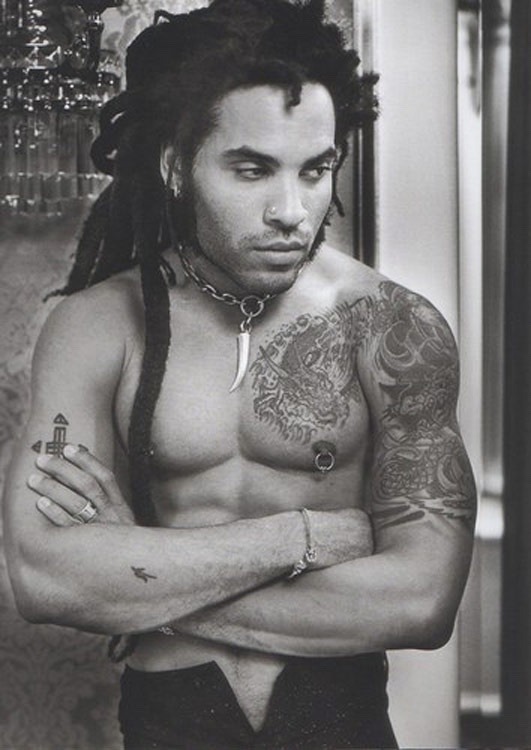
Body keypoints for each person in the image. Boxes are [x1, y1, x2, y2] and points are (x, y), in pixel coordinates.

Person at [3, 1, 477, 748]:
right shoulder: (97, 326)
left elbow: (422, 602)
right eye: (251, 170)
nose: (291, 210)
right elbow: (46, 579)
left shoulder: (391, 329)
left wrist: (136, 583)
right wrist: (308, 536)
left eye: (315, 170)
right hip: (170, 722)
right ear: (175, 165)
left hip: (339, 719)